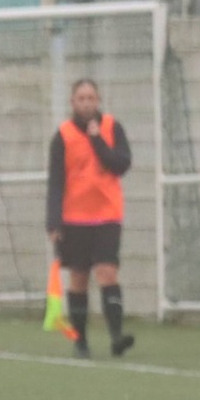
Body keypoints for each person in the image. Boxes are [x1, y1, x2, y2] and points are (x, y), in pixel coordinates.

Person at [47, 78, 134, 359]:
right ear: (73, 102)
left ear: (98, 100)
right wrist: (53, 221)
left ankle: (117, 337)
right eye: (81, 98)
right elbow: (56, 181)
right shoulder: (62, 135)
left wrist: (97, 140)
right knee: (79, 277)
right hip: (75, 218)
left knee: (107, 272)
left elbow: (121, 164)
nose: (86, 103)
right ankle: (80, 340)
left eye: (91, 98)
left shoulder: (112, 127)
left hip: (107, 215)